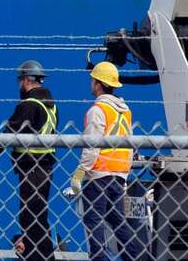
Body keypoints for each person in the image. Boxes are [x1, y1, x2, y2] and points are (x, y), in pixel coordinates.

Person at [0, 60, 57, 261]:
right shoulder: (49, 104)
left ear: (26, 80)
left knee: (30, 217)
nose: (19, 86)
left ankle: (38, 257)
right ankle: (44, 256)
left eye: (20, 81)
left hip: (32, 167)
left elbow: (12, 130)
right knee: (39, 217)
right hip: (44, 167)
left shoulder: (30, 104)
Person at [68, 61, 142, 261]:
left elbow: (92, 146)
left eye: (93, 80)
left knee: (93, 220)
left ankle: (99, 259)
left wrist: (79, 175)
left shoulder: (97, 110)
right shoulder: (125, 110)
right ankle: (133, 257)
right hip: (119, 176)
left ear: (98, 84)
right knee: (117, 220)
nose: (91, 83)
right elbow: (131, 144)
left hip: (98, 174)